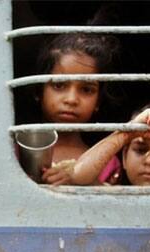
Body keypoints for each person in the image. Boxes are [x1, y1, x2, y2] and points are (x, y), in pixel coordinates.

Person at [29, 33, 122, 185]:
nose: (71, 99)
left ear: (98, 101)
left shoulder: (106, 161)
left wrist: (82, 182)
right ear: (39, 90)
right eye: (59, 85)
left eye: (86, 89)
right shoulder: (14, 153)